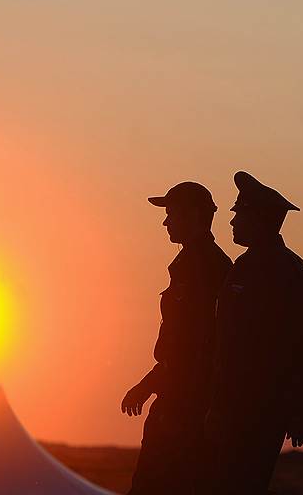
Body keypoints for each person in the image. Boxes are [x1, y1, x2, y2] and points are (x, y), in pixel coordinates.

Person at [200, 171, 303, 494]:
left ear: (259, 220)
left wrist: (302, 411)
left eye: (239, 214)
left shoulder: (292, 275)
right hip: (231, 407)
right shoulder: (243, 268)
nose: (232, 222)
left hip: (259, 410)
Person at [122, 181, 233, 494]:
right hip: (179, 396)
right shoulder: (193, 265)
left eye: (172, 214)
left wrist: (149, 385)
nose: (166, 222)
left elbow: (194, 346)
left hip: (187, 402)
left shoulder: (207, 268)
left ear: (194, 216)